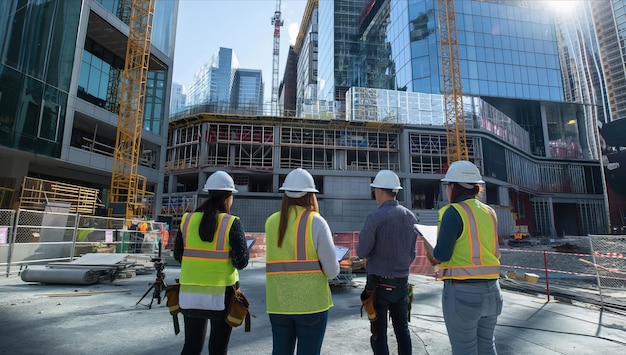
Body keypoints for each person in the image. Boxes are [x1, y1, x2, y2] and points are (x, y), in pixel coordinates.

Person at [427, 160, 502, 355]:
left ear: (452, 187)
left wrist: (430, 251)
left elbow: (442, 254)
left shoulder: (453, 212)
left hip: (463, 293)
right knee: (487, 346)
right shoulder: (490, 212)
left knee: (464, 350)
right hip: (493, 290)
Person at [265, 168, 340, 355]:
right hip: (311, 305)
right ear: (310, 195)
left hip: (278, 303)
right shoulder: (317, 222)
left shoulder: (271, 222)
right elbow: (332, 271)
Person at [174, 170, 249, 355]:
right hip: (221, 296)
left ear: (208, 193)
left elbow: (178, 256)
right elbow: (242, 262)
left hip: (190, 294)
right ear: (228, 197)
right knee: (218, 349)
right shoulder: (231, 222)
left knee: (191, 347)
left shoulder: (187, 219)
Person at [357, 170, 418, 355]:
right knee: (403, 331)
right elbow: (412, 254)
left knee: (378, 333)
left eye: (375, 189)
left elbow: (361, 251)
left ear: (381, 191)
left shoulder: (375, 217)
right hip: (401, 283)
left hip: (378, 285)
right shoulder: (410, 216)